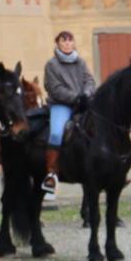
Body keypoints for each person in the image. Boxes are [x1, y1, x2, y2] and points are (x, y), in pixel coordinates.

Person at [42, 29, 96, 199]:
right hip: (61, 105)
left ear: (73, 43)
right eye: (63, 41)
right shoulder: (51, 65)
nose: (67, 44)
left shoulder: (80, 62)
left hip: (82, 102)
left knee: (100, 125)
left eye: (69, 41)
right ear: (57, 44)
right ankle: (51, 176)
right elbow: (54, 88)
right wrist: (75, 97)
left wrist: (86, 94)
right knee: (57, 133)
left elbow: (89, 80)